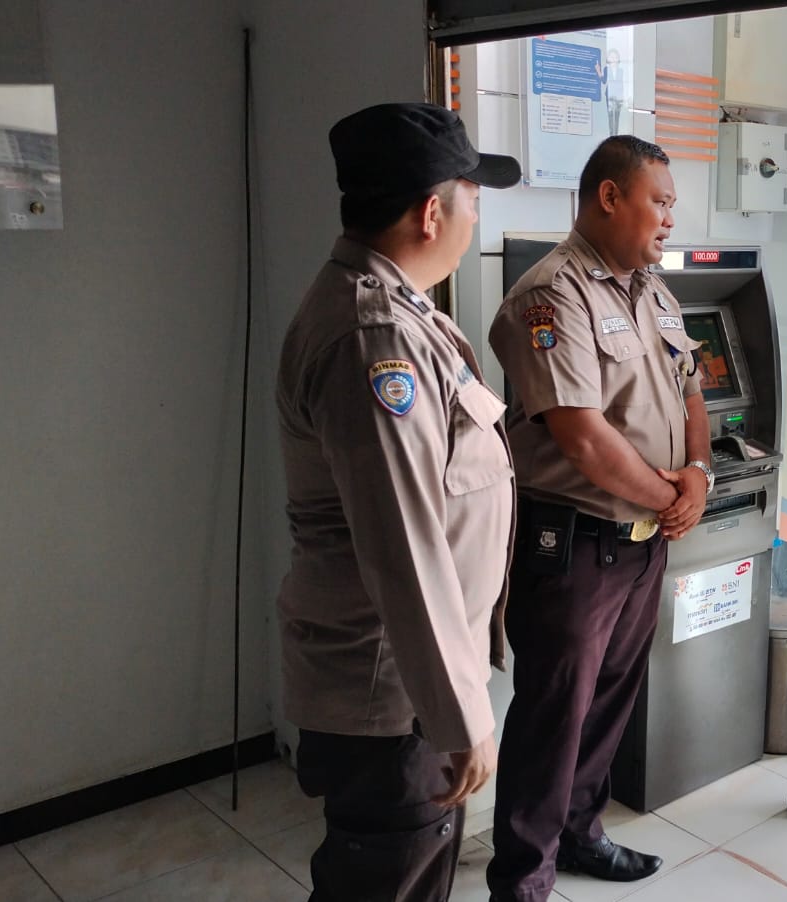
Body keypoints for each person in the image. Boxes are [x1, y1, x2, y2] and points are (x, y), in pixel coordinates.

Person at [274, 102, 521, 902]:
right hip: (393, 697)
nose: (477, 214)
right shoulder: (374, 337)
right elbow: (405, 548)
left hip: (406, 684)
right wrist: (461, 718)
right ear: (429, 211)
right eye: (472, 196)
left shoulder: (400, 310)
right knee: (389, 878)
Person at [484, 135, 711, 902]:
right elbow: (581, 436)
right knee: (555, 715)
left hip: (643, 543)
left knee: (610, 702)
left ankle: (581, 833)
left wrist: (701, 474)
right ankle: (523, 878)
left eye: (673, 205)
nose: (670, 218)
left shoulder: (653, 291)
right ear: (610, 197)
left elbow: (691, 391)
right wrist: (672, 497)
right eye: (660, 201)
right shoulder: (551, 296)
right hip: (576, 545)